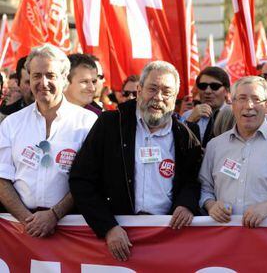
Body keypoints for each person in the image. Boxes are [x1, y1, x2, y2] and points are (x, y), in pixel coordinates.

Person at [69, 61, 202, 261]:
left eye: (166, 92)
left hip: (165, 238)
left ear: (175, 98)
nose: (158, 97)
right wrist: (108, 228)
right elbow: (81, 181)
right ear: (139, 90)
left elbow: (193, 180)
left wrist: (186, 204)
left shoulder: (186, 137)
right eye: (152, 88)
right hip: (115, 239)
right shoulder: (110, 125)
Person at [0, 44, 97, 238]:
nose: (43, 82)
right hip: (21, 232)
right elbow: (2, 178)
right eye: (37, 75)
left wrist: (54, 214)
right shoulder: (12, 123)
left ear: (64, 79)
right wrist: (28, 220)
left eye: (50, 75)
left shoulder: (88, 123)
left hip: (72, 229)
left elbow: (91, 179)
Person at [199, 76, 267, 228]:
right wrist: (211, 205)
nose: (249, 106)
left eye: (256, 99)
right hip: (222, 241)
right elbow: (204, 188)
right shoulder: (215, 146)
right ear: (232, 103)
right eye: (242, 98)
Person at [181, 66, 230, 147]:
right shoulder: (187, 116)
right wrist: (190, 122)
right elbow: (179, 147)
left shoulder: (235, 115)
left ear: (226, 90)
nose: (207, 91)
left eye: (214, 86)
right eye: (203, 86)